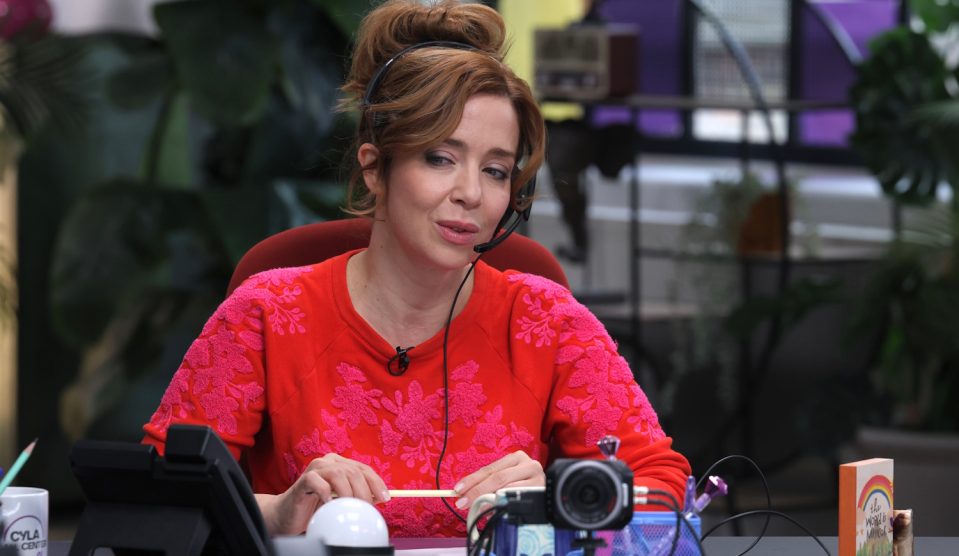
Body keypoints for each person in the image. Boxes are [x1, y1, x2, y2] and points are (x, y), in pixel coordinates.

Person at [142, 0, 690, 538]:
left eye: (496, 170)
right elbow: (157, 495)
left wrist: (557, 499)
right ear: (375, 168)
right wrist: (277, 515)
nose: (472, 193)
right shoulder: (266, 314)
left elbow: (665, 489)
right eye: (440, 158)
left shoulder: (547, 322)